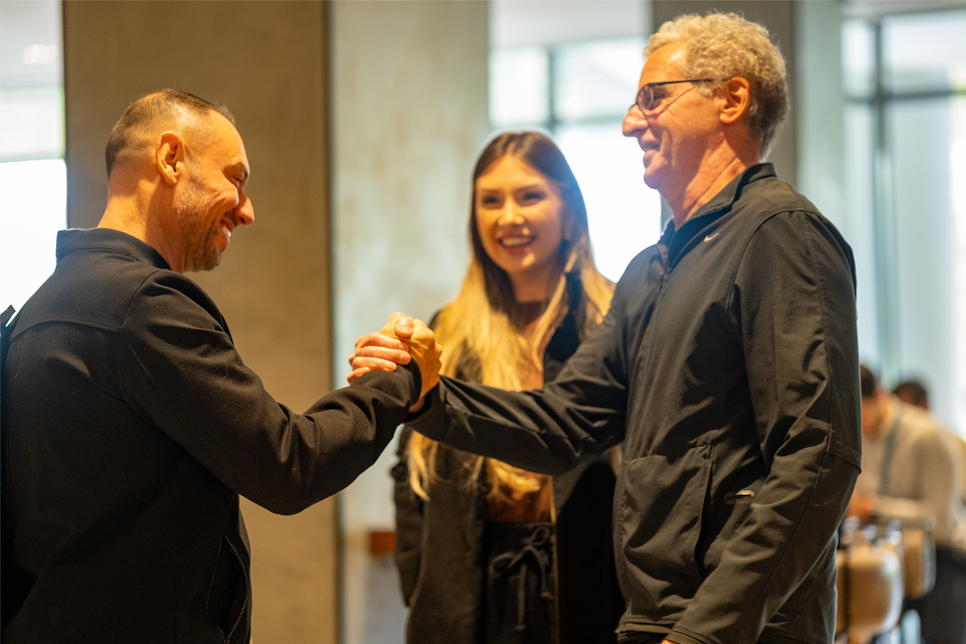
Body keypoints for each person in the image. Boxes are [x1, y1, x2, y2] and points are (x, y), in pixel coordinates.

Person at [352, 12, 861, 644]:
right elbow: (562, 424)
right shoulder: (650, 271)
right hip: (651, 622)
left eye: (653, 97)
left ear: (733, 98)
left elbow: (817, 457)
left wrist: (708, 631)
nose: (629, 123)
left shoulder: (780, 235)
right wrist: (432, 396)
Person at [0, 90, 440, 643]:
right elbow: (288, 464)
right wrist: (401, 378)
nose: (247, 208)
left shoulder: (41, 308)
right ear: (171, 158)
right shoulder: (141, 306)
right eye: (235, 177)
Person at [382, 131, 623, 643]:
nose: (508, 217)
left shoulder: (615, 320)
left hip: (590, 593)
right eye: (490, 201)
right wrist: (420, 586)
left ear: (570, 211)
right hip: (469, 595)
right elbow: (411, 473)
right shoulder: (447, 329)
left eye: (529, 196)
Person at [849, 365, 966, 644]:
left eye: (857, 411)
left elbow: (940, 520)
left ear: (878, 395)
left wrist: (874, 508)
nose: (854, 422)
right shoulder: (859, 437)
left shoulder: (929, 435)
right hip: (888, 552)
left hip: (942, 554)